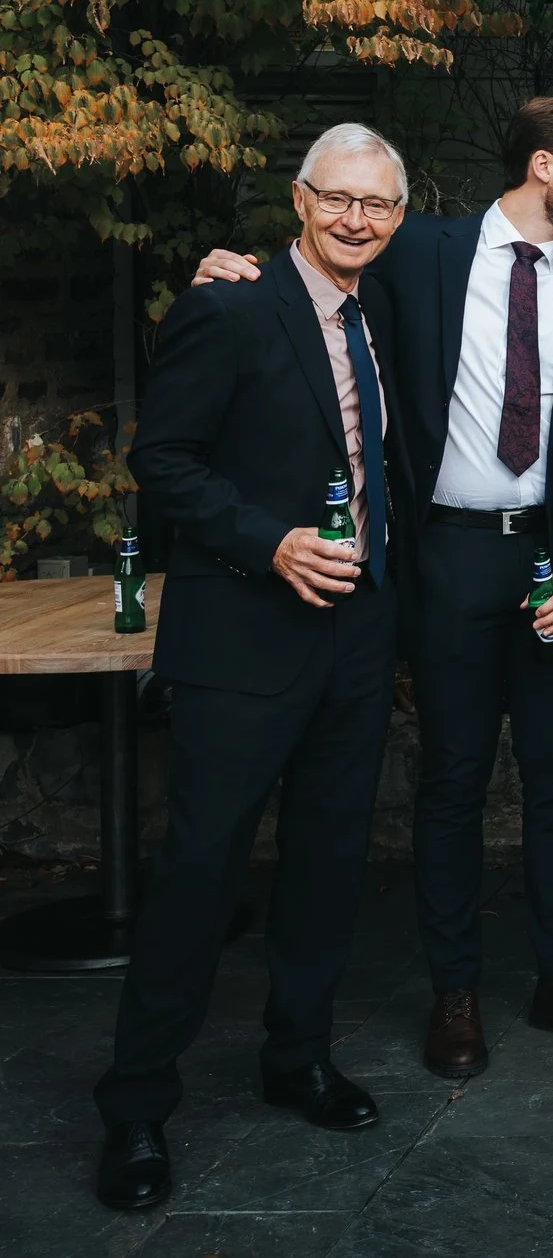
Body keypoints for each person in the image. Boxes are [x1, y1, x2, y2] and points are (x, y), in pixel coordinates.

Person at [192, 97, 553, 1077]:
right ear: (541, 165)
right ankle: (456, 991)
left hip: (552, 562)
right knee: (451, 780)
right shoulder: (419, 252)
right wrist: (232, 270)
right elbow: (314, 273)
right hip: (445, 558)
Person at [97, 126, 411, 1212]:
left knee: (327, 865)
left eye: (377, 204)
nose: (356, 219)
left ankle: (299, 1057)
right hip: (241, 639)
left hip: (354, 637)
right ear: (299, 199)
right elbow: (162, 460)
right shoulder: (228, 305)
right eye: (338, 199)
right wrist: (266, 539)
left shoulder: (382, 313)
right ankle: (135, 1103)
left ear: (399, 216)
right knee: (200, 873)